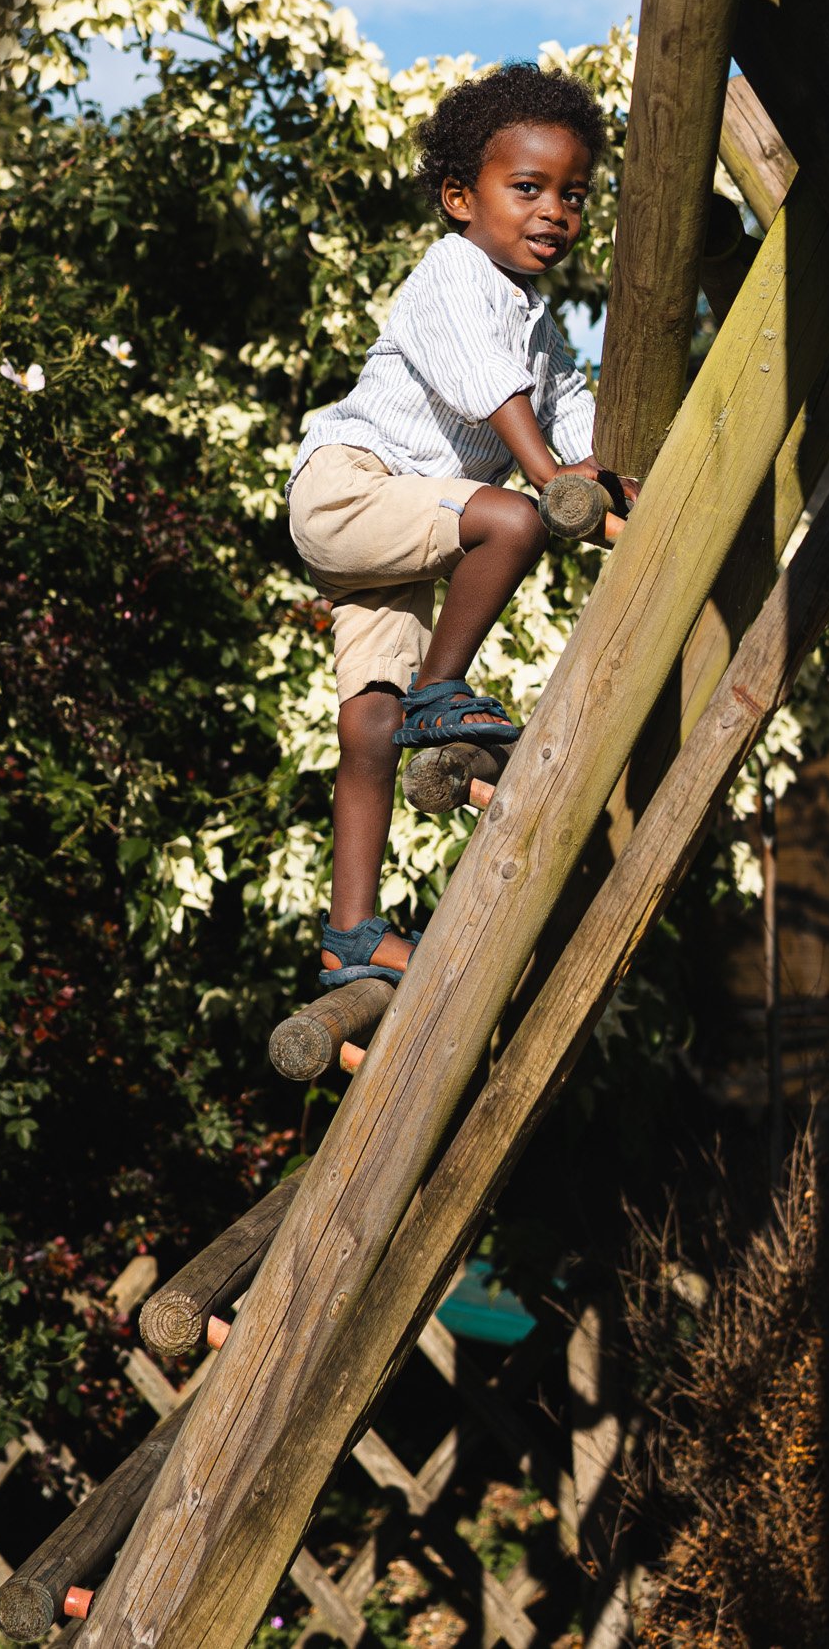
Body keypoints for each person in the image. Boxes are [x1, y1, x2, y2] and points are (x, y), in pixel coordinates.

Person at [287, 63, 611, 995]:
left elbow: (573, 417)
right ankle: (444, 690)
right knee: (512, 519)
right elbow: (494, 393)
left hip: (400, 531)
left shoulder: (538, 327)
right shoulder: (452, 272)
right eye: (528, 189)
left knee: (370, 728)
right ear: (460, 197)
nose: (554, 210)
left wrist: (610, 476)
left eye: (573, 194)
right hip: (350, 489)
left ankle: (349, 934)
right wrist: (550, 478)